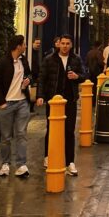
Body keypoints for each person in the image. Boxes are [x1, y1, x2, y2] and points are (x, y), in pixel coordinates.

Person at [37, 33, 86, 176]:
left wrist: (77, 77)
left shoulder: (76, 59)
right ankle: (48, 156)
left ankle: (69, 162)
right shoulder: (49, 59)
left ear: (71, 45)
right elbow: (42, 78)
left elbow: (84, 75)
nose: (65, 46)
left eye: (67, 44)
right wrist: (40, 96)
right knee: (51, 129)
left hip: (70, 100)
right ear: (58, 44)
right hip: (53, 101)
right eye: (63, 43)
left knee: (69, 131)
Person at [0, 34, 32, 178]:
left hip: (22, 102)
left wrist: (27, 80)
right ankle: (5, 163)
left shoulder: (23, 61)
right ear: (18, 46)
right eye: (24, 44)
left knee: (21, 134)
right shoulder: (1, 63)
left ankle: (21, 164)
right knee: (6, 136)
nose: (26, 46)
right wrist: (1, 102)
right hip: (7, 103)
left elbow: (30, 75)